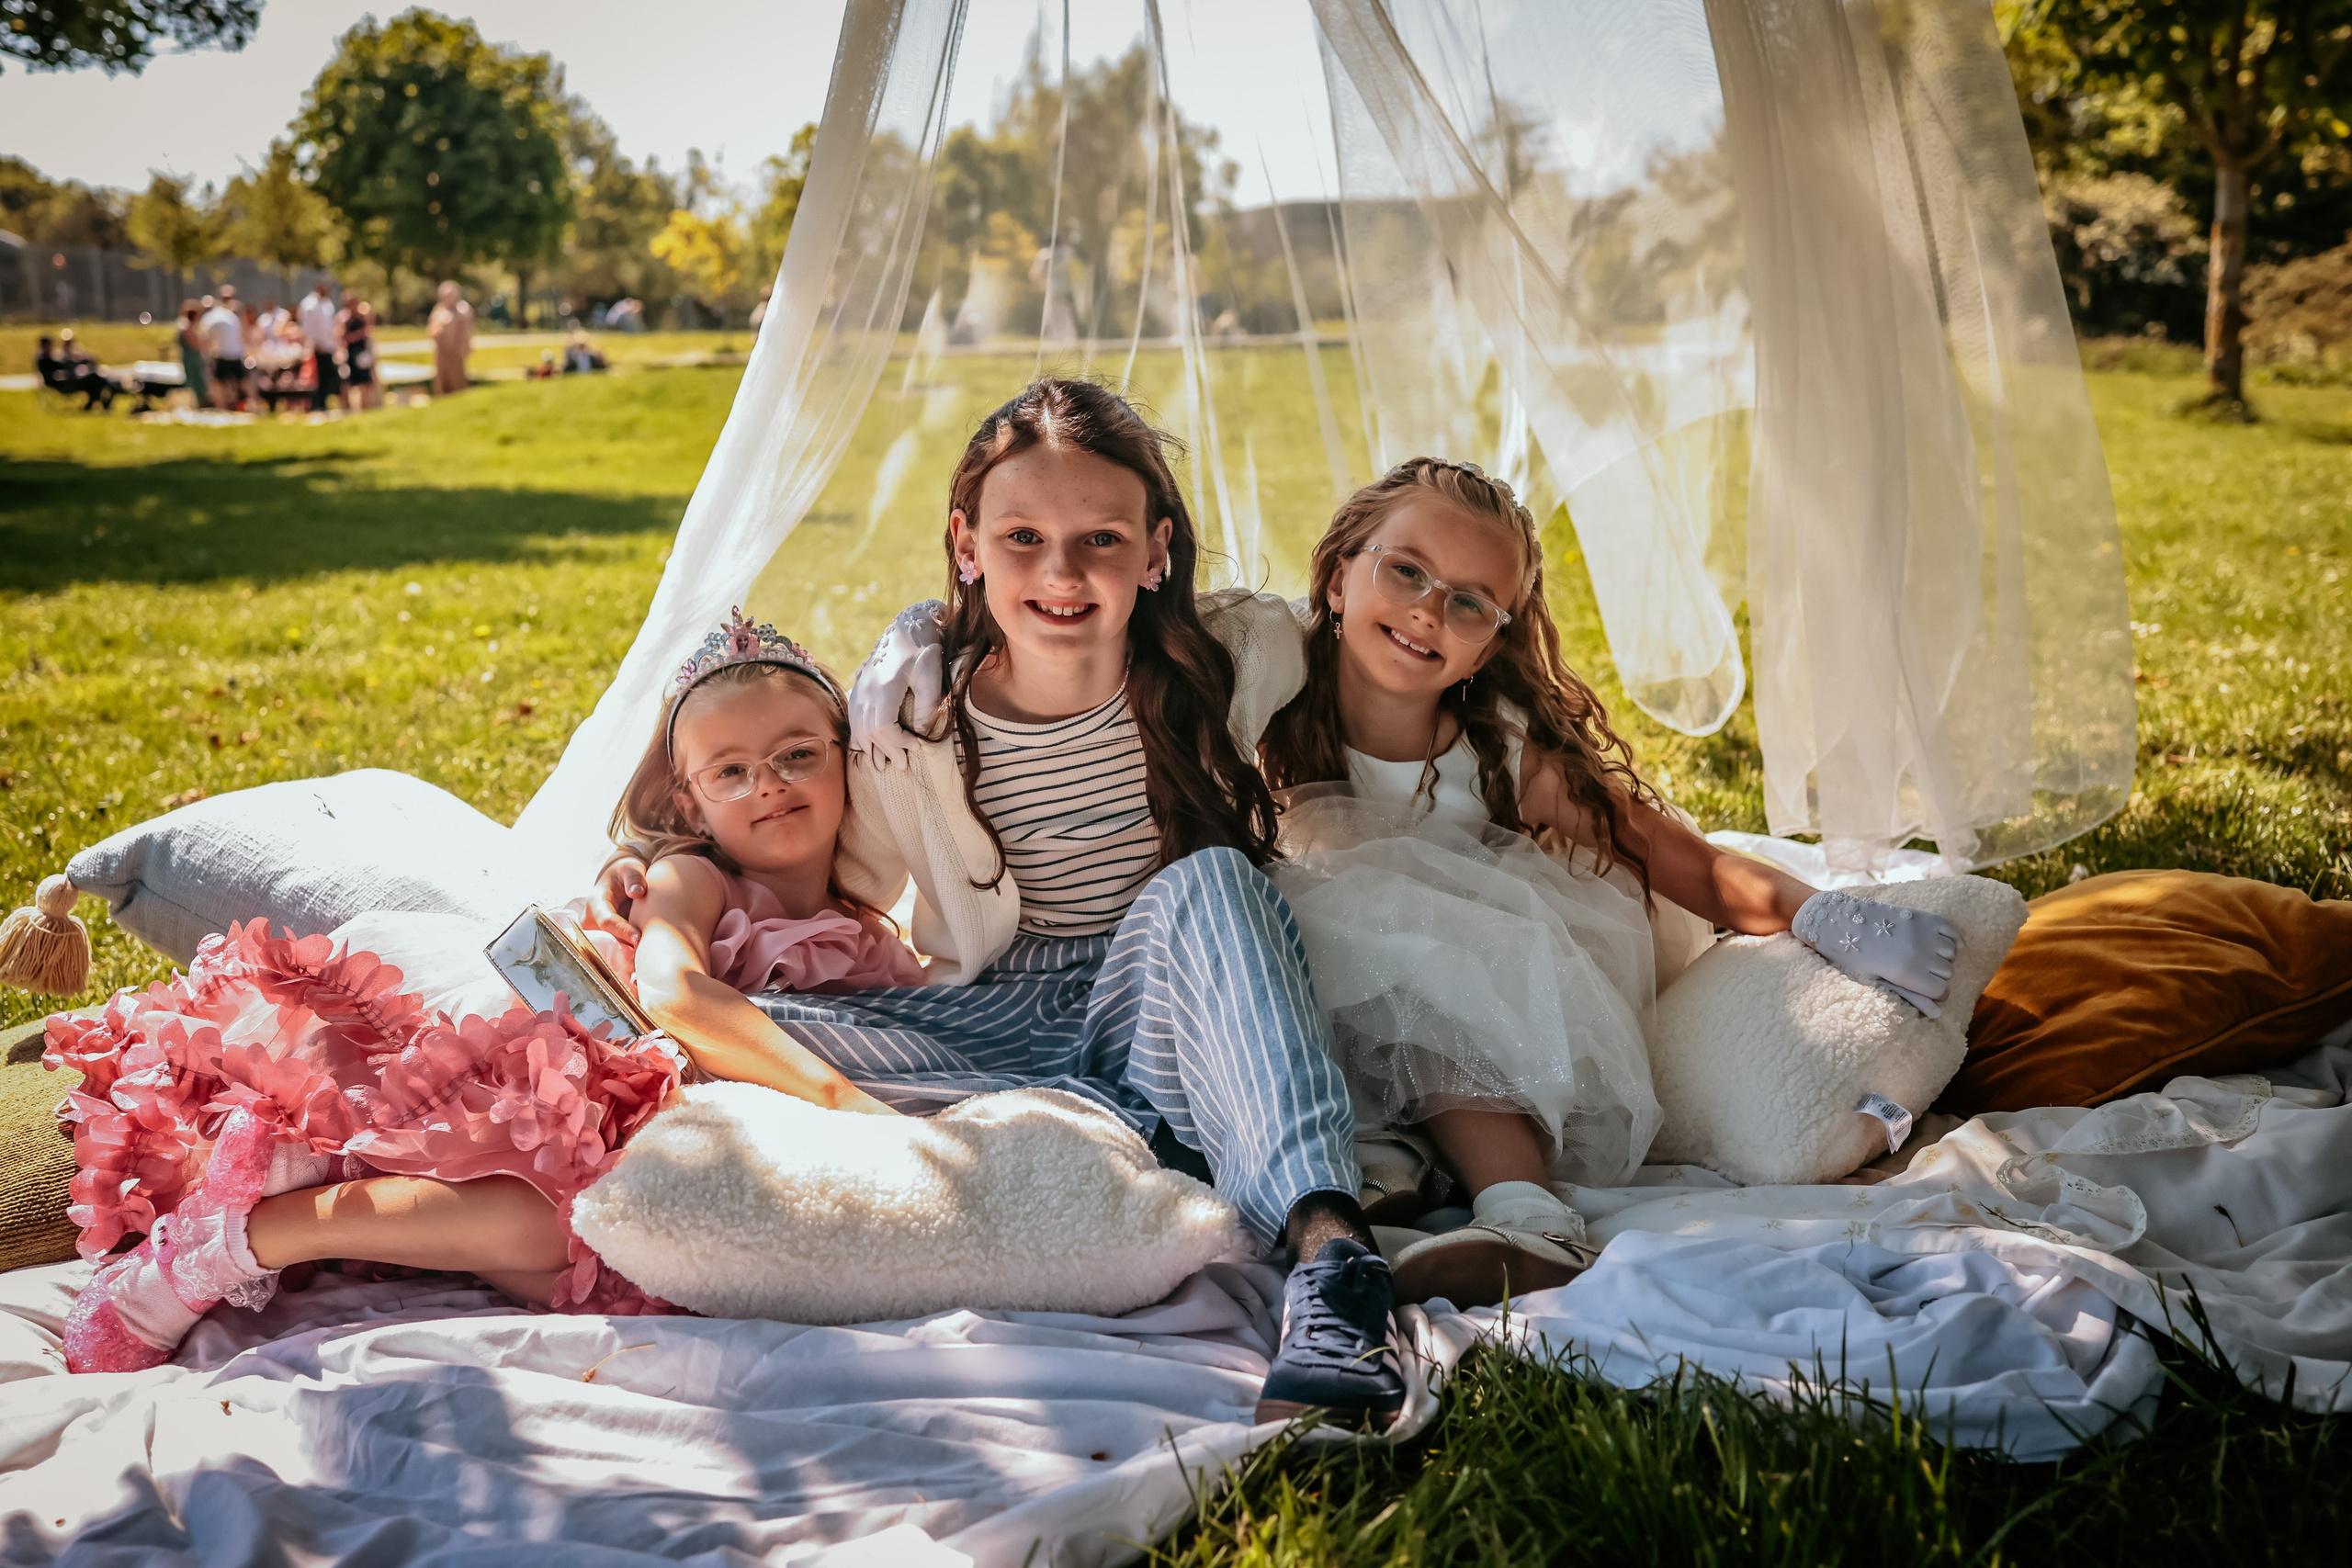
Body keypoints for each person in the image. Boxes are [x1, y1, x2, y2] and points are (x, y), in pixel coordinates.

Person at [596, 379, 1410, 1429]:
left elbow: (1401, 692)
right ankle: (1129, 1139)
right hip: (996, 1013)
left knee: (1213, 880)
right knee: (729, 1037)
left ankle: (1335, 1265)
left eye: (1101, 540)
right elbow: (823, 861)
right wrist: (657, 867)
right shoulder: (913, 712)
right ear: (966, 543)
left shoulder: (1237, 655)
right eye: (1021, 536)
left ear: (1156, 550)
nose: (1060, 574)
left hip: (1168, 987)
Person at [54, 615, 922, 1375]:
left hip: (683, 1132)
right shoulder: (694, 877)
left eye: (797, 754)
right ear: (689, 804)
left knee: (613, 1273)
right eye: (730, 770)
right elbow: (673, 989)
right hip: (578, 1072)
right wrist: (841, 1103)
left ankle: (300, 1186)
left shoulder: (871, 936)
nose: (768, 782)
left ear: (846, 759)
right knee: (564, 1224)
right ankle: (253, 1234)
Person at [1245, 458, 1961, 1306]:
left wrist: (1826, 918)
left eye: (1471, 601)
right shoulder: (1269, 693)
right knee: (1279, 932)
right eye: (1407, 570)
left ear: (1493, 643)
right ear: (1336, 576)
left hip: (1491, 981)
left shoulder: (1501, 755)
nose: (1429, 609)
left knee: (1405, 949)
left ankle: (1530, 1216)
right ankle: (1390, 1163)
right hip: (1313, 987)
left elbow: (1678, 859)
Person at [35, 332, 114, 409]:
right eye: (50, 345)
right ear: (46, 345)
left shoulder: (46, 357)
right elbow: (60, 368)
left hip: (67, 382)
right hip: (64, 384)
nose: (52, 347)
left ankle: (92, 405)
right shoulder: (45, 359)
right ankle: (113, 390)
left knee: (93, 382)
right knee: (94, 377)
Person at [297, 279, 341, 412]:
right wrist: (315, 343)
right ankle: (317, 405)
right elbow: (307, 328)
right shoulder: (309, 305)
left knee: (328, 378)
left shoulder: (327, 303)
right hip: (317, 348)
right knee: (317, 378)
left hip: (328, 346)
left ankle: (323, 403)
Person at [199, 288, 245, 410]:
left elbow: (206, 339)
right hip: (236, 353)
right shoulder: (231, 315)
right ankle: (248, 404)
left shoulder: (210, 317)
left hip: (223, 354)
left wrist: (207, 353)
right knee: (240, 382)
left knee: (218, 383)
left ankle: (222, 407)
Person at [428, 280, 474, 395]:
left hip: (456, 353)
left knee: (458, 382)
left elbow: (467, 331)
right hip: (442, 352)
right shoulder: (439, 310)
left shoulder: (463, 309)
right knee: (442, 383)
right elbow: (432, 331)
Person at [339, 299, 379, 411]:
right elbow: (344, 338)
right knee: (353, 384)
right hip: (353, 355)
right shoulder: (347, 321)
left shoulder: (361, 319)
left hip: (363, 355)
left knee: (366, 383)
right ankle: (355, 408)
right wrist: (358, 335)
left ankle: (366, 405)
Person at [174, 299, 209, 409]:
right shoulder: (186, 327)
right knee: (195, 382)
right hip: (191, 358)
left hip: (191, 357)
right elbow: (196, 345)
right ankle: (197, 405)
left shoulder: (183, 325)